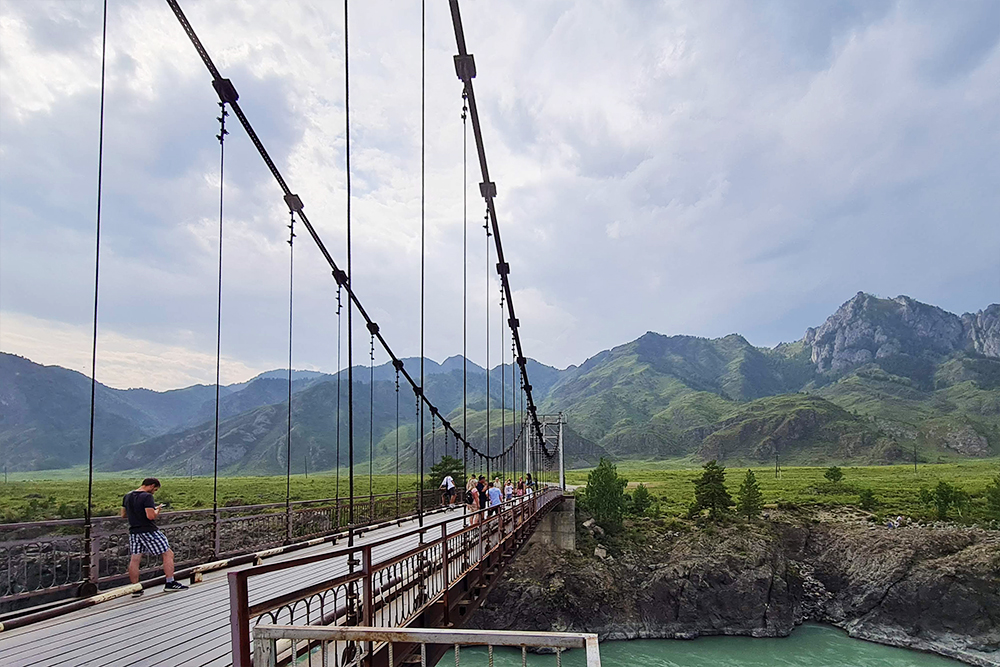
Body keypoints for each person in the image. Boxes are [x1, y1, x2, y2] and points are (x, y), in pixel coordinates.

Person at [120, 477, 188, 596]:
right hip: (148, 530)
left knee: (135, 559)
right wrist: (157, 510)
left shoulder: (127, 496)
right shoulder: (147, 497)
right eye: (155, 489)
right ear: (151, 485)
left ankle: (135, 588)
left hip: (134, 531)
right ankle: (170, 583)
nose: (154, 492)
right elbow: (150, 516)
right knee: (168, 553)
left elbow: (123, 515)